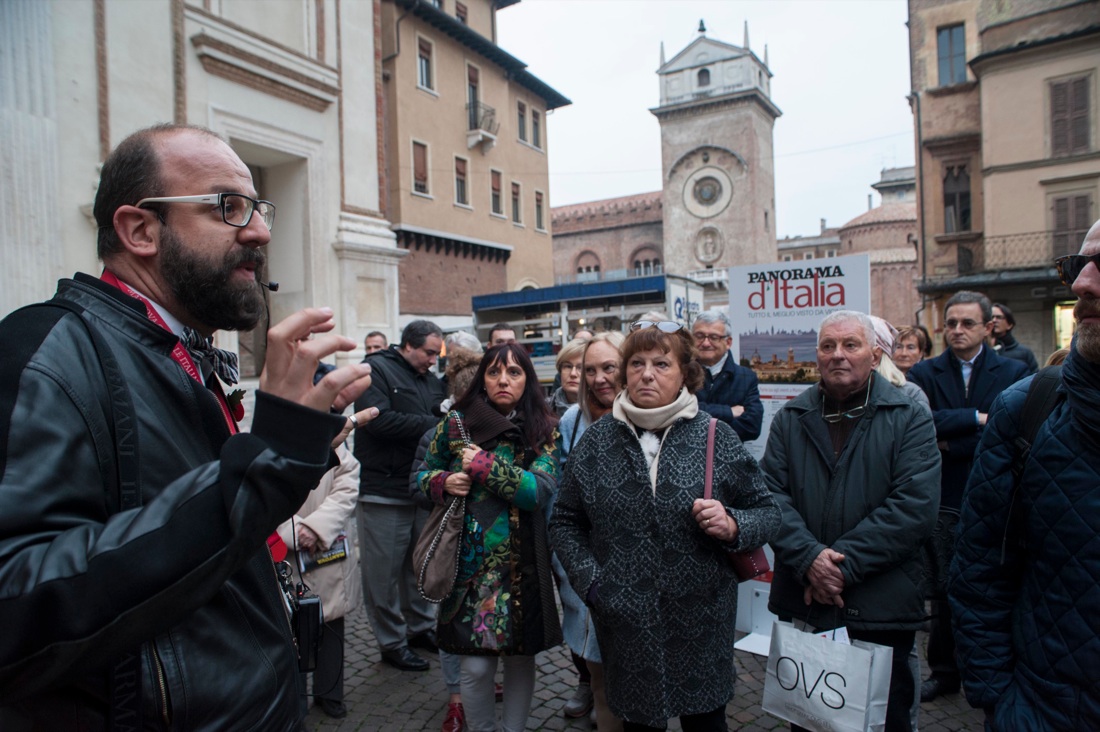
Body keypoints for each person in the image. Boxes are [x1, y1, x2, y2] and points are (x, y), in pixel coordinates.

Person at [0, 123, 374, 729]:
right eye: (228, 207)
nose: (259, 230)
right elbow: (18, 610)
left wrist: (298, 447)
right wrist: (267, 461)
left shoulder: (183, 350)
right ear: (140, 229)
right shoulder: (43, 352)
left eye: (258, 208)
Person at [551, 320, 781, 731]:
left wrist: (732, 524)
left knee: (705, 722)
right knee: (640, 723)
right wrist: (592, 584)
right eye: (636, 363)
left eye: (661, 363)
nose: (647, 374)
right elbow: (566, 521)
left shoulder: (716, 436)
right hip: (625, 619)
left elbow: (767, 511)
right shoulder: (598, 441)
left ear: (685, 373)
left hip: (702, 620)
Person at [949, 222, 1100, 730]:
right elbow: (979, 573)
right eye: (1078, 266)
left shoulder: (1012, 374)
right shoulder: (1028, 407)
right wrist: (1001, 701)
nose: (1081, 285)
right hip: (1043, 710)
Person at [762, 310, 940, 732]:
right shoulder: (791, 418)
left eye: (850, 345)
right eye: (828, 346)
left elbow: (915, 505)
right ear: (817, 356)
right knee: (809, 719)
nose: (838, 355)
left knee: (883, 719)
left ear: (875, 356)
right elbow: (769, 495)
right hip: (807, 603)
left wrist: (838, 568)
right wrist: (809, 560)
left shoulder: (908, 415)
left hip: (881, 603)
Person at [418, 344, 562, 732]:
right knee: (476, 667)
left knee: (519, 659)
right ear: (482, 377)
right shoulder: (455, 425)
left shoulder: (545, 429)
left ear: (527, 381)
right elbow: (419, 477)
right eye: (495, 372)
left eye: (514, 373)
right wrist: (444, 481)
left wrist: (480, 465)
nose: (503, 380)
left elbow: (537, 492)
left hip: (522, 568)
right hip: (468, 569)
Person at [907, 292, 1029, 703]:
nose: (957, 330)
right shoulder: (923, 373)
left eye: (967, 323)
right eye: (951, 323)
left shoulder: (1015, 369)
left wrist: (951, 438)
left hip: (999, 496)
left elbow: (1015, 430)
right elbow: (924, 426)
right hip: (944, 493)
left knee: (992, 585)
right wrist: (978, 419)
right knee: (943, 590)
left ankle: (996, 671)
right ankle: (944, 672)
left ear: (988, 326)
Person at [354, 320, 447, 672]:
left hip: (420, 490)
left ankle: (421, 629)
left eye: (436, 354)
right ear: (407, 345)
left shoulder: (430, 380)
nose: (432, 360)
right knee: (382, 575)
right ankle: (391, 642)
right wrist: (431, 426)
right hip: (383, 491)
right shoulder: (375, 370)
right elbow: (375, 421)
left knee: (417, 568)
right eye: (428, 352)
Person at [554, 331, 626, 729]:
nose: (599, 378)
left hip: (642, 574)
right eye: (590, 370)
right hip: (588, 571)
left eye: (608, 367)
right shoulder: (572, 420)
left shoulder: (649, 413)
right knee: (599, 674)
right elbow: (562, 501)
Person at [410, 345, 483, 732]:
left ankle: (478, 683)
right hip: (451, 545)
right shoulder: (437, 433)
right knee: (450, 620)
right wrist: (442, 481)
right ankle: (456, 698)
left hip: (489, 547)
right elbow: (415, 483)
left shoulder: (502, 432)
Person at [276, 442, 362, 720]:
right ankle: (295, 700)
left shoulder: (330, 432)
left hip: (327, 547)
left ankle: (330, 693)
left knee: (331, 620)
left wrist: (316, 527)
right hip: (286, 549)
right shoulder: (271, 434)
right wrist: (296, 529)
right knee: (292, 626)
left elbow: (348, 481)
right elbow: (263, 488)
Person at [691, 309, 764, 442]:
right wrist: (728, 412)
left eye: (714, 337)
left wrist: (695, 425)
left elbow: (752, 427)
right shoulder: (680, 373)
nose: (706, 343)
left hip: (731, 460)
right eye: (699, 336)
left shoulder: (746, 378)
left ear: (728, 342)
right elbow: (674, 414)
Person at [871, 316, 930, 413]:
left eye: (910, 347)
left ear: (921, 353)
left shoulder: (925, 383)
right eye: (898, 347)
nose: (904, 353)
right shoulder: (878, 381)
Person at [990, 303, 1038, 374]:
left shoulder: (1024, 353)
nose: (994, 320)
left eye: (999, 317)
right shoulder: (980, 350)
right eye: (991, 317)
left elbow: (1033, 379)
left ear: (1009, 325)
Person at [549, 338, 587, 416]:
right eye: (568, 366)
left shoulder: (601, 412)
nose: (573, 374)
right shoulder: (544, 409)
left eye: (581, 368)